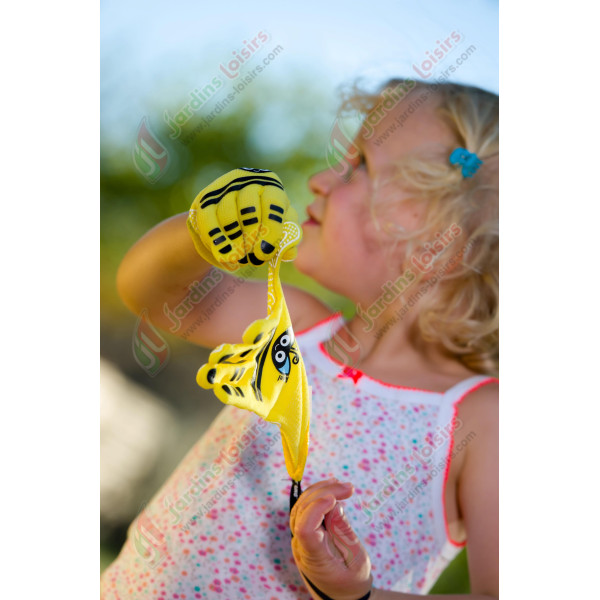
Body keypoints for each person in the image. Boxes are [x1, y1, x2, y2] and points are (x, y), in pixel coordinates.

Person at [101, 79, 499, 599]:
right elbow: (151, 293)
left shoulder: (479, 419)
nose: (319, 179)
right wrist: (200, 232)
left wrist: (355, 595)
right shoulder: (292, 323)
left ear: (438, 241)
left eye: (359, 165)